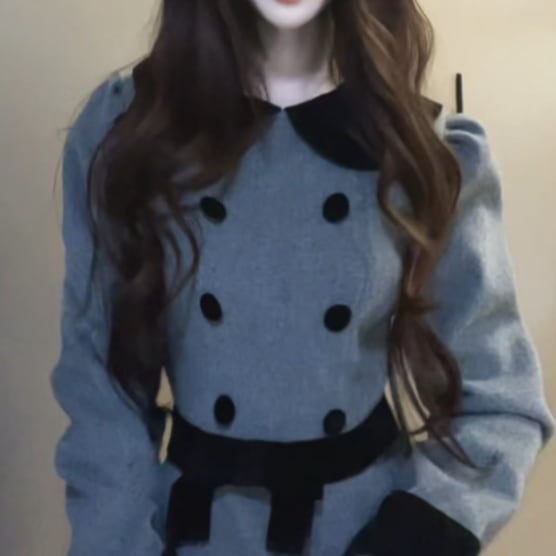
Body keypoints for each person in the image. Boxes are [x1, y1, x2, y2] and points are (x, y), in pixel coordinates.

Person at [50, 1, 554, 555]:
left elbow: (499, 402)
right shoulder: (129, 133)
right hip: (201, 535)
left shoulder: (426, 150)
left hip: (366, 533)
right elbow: (101, 390)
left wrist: (409, 540)